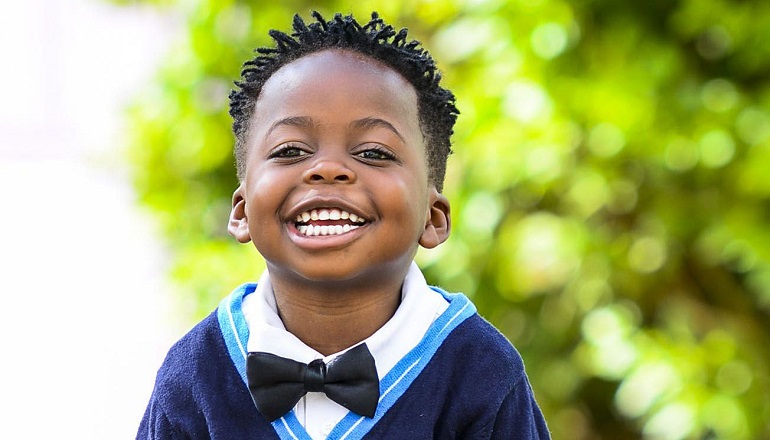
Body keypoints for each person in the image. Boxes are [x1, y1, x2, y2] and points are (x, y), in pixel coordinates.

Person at [138, 11, 550, 440]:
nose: (328, 169)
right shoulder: (196, 372)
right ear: (241, 211)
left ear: (433, 218)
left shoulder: (480, 371)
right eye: (291, 149)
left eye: (373, 153)